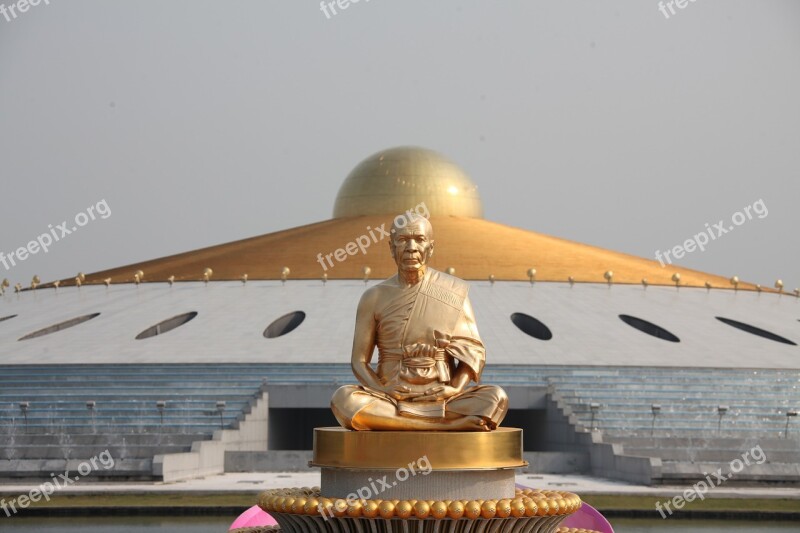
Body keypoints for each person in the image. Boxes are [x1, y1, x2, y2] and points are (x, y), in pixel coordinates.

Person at [331, 214, 508, 431]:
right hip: (392, 396)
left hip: (441, 396)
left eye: (419, 239)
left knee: (496, 397)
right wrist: (382, 390)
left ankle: (402, 423)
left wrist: (454, 388)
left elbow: (473, 351)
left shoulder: (451, 292)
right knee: (344, 400)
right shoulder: (374, 297)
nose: (411, 247)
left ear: (431, 248)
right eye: (403, 239)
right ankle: (444, 426)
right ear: (391, 247)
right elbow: (359, 361)